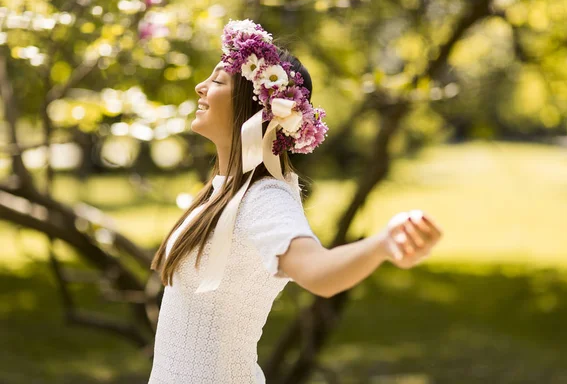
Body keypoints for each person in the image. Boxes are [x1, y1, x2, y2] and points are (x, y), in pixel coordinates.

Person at [148, 19, 443, 384]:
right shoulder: (222, 189)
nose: (200, 87)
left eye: (218, 82)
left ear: (252, 107)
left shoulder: (265, 198)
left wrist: (382, 244)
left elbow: (319, 272)